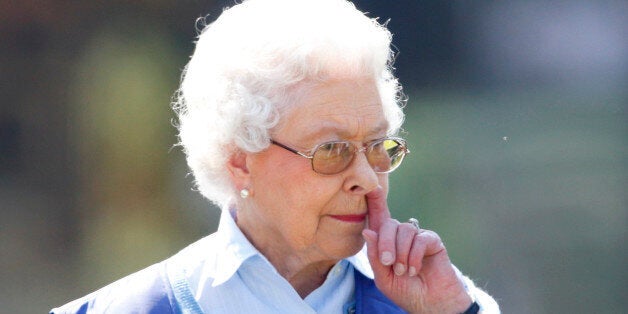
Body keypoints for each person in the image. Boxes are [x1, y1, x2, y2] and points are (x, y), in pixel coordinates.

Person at [52, 0, 500, 313]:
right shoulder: (127, 309)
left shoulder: (440, 302)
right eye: (332, 150)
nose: (366, 177)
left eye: (377, 148)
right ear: (239, 159)